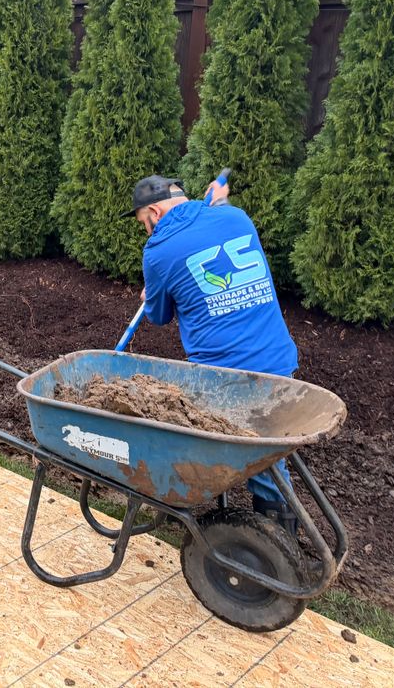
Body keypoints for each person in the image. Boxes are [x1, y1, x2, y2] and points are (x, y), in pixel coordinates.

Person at [125, 174, 299, 534]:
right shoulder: (236, 218)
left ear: (155, 212)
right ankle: (280, 536)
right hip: (280, 362)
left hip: (223, 379)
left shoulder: (158, 251)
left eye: (144, 223)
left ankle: (272, 548)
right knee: (266, 455)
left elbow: (158, 317)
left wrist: (151, 293)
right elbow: (216, 214)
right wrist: (218, 200)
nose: (147, 230)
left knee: (181, 432)